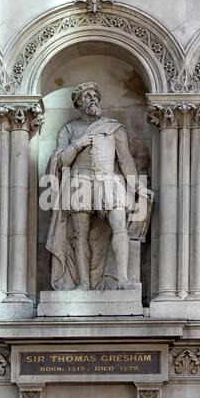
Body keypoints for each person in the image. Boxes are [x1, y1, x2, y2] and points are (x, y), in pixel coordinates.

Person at [46, 81, 150, 291]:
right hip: (79, 181)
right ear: (78, 104)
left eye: (94, 95)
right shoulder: (69, 129)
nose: (92, 98)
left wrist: (136, 186)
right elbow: (60, 161)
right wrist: (79, 143)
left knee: (120, 226)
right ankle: (84, 283)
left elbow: (126, 160)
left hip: (109, 180)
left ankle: (122, 279)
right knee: (79, 235)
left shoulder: (114, 128)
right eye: (86, 96)